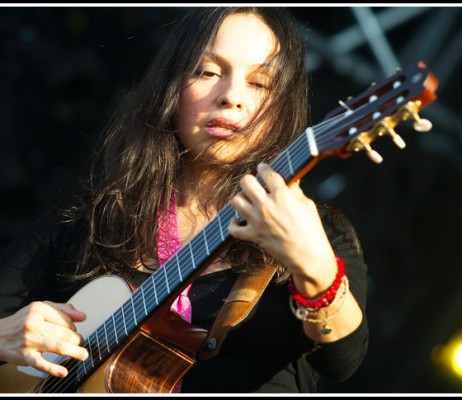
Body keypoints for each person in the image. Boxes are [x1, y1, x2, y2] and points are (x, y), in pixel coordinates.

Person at [0, 7, 368, 393]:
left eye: (259, 83)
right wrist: (6, 333)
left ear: (281, 107)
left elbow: (343, 360)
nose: (231, 97)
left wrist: (314, 266)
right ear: (172, 86)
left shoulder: (318, 234)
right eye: (208, 72)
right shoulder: (92, 221)